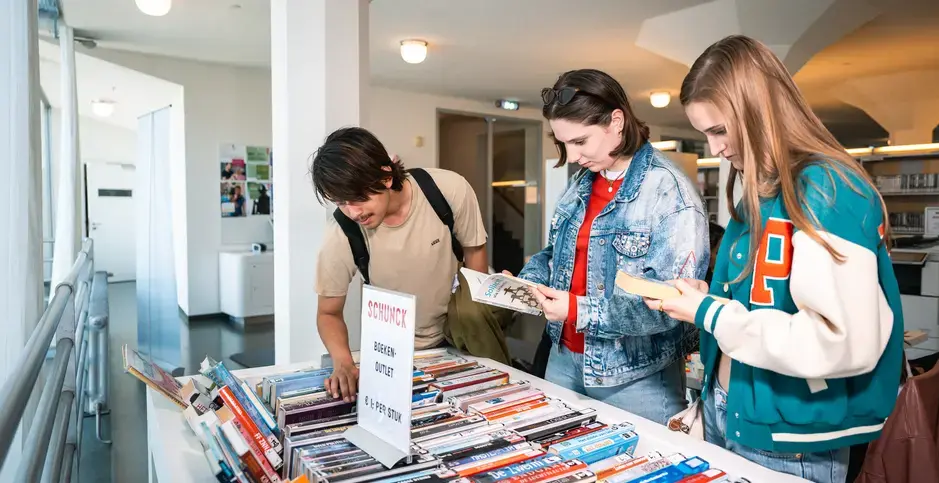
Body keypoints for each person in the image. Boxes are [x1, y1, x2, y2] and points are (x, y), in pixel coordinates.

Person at [648, 35, 904, 483]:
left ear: (760, 110)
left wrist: (709, 312)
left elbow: (842, 342)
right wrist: (707, 298)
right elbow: (767, 304)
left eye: (720, 130)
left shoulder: (826, 190)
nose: (714, 149)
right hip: (734, 409)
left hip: (790, 439)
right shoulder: (759, 193)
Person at [516, 69, 710, 424]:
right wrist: (526, 281)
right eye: (564, 144)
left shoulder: (669, 192)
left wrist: (578, 310)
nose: (572, 157)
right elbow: (555, 253)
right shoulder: (580, 184)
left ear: (616, 122)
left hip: (635, 379)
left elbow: (670, 305)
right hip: (563, 359)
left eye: (580, 142)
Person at [312, 127, 512, 402]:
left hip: (460, 339)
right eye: (341, 202)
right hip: (394, 352)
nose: (353, 212)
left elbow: (475, 252)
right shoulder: (342, 232)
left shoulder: (447, 190)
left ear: (385, 176)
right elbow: (328, 313)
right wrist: (343, 362)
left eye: (358, 198)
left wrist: (478, 309)